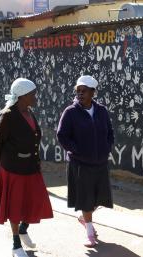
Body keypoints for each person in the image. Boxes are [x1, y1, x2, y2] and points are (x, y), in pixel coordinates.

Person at [0, 78, 53, 257]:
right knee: (15, 207)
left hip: (31, 167)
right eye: (33, 94)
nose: (36, 97)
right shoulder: (9, 115)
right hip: (13, 170)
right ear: (22, 96)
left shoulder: (29, 111)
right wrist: (4, 168)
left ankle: (24, 228)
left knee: (35, 200)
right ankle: (16, 243)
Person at [56, 75, 114, 247]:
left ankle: (84, 217)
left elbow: (110, 132)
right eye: (78, 91)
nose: (80, 94)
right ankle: (89, 232)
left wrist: (107, 147)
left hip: (100, 162)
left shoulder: (101, 111)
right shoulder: (70, 112)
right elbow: (62, 135)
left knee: (99, 197)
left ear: (92, 92)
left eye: (84, 91)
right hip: (80, 163)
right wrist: (75, 150)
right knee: (85, 197)